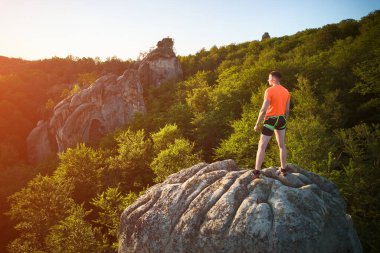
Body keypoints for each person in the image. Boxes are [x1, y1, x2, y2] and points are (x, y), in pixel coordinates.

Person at [252, 71, 291, 179]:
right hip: (281, 119)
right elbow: (287, 110)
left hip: (270, 120)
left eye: (269, 78)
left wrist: (257, 123)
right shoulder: (286, 91)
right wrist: (284, 120)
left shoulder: (269, 91)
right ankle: (283, 169)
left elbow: (263, 109)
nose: (268, 80)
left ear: (273, 79)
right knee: (282, 145)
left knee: (262, 146)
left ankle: (256, 172)